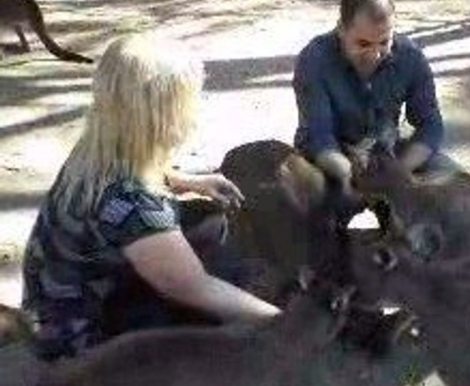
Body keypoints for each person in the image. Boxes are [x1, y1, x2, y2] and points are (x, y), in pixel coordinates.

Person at [21, 33, 280, 361]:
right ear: (164, 114)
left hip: (51, 305)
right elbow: (195, 287)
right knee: (220, 323)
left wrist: (187, 181)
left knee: (208, 223)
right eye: (190, 99)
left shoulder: (96, 150)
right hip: (79, 343)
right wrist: (285, 323)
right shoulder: (136, 206)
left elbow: (135, 175)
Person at [292, 0, 460, 200]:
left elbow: (430, 126)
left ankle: (397, 223)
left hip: (385, 154)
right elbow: (318, 137)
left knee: (453, 183)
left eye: (384, 42)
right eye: (363, 44)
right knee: (302, 191)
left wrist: (399, 171)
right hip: (329, 158)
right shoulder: (315, 60)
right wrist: (349, 174)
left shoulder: (410, 56)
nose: (374, 55)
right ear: (341, 30)